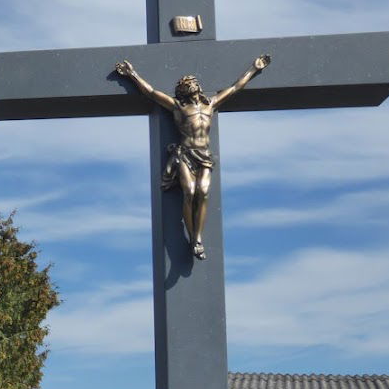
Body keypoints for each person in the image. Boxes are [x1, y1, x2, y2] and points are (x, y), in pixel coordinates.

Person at [114, 54, 271, 259]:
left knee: (203, 192)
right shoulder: (178, 107)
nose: (192, 83)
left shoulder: (211, 104)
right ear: (182, 90)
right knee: (189, 191)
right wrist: (132, 74)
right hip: (185, 154)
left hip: (204, 155)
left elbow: (234, 88)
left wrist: (254, 69)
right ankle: (193, 238)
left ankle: (197, 237)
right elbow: (151, 92)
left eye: (193, 81)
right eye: (187, 83)